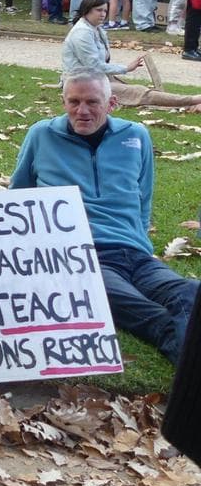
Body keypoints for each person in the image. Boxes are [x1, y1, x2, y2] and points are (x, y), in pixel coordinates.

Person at [11, 69, 198, 364]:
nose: (81, 111)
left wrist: (139, 241)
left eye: (92, 102)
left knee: (191, 291)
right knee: (120, 299)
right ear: (63, 101)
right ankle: (172, 339)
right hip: (80, 256)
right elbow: (17, 199)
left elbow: (142, 199)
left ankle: (181, 345)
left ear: (111, 104)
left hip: (136, 255)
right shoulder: (42, 135)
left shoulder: (136, 136)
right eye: (73, 101)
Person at [60, 0, 201, 111]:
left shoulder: (95, 29)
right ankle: (193, 100)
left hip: (96, 78)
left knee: (137, 91)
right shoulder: (82, 33)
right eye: (99, 10)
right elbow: (94, 66)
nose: (103, 14)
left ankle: (190, 104)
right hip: (81, 83)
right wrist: (126, 68)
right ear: (86, 11)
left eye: (105, 10)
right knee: (140, 92)